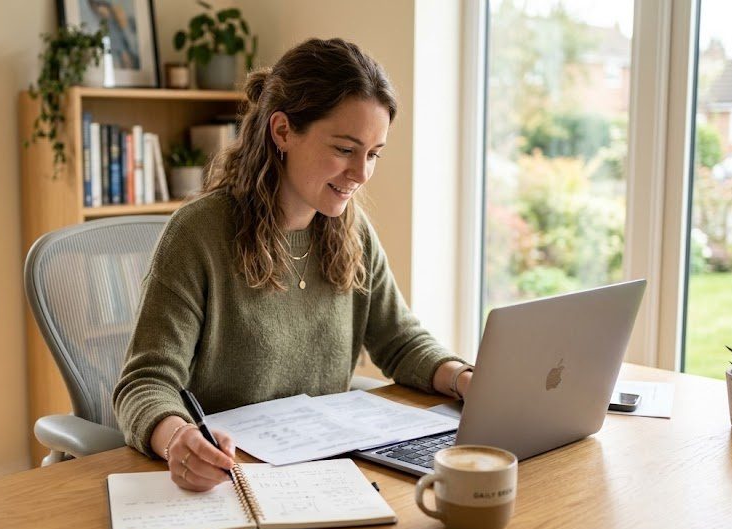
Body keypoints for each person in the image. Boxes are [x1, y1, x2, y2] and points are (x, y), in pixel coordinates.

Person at [112, 38, 473, 492]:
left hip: (324, 476)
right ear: (282, 131)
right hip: (227, 478)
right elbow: (146, 382)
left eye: (374, 154)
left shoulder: (351, 231)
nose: (361, 174)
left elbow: (399, 341)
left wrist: (465, 379)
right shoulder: (198, 234)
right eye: (345, 149)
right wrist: (178, 438)